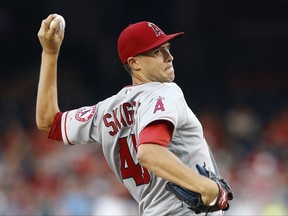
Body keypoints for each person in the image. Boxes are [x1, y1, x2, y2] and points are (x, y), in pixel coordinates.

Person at [36, 13, 231, 215]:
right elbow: (149, 152)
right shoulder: (166, 91)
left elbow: (48, 121)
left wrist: (49, 54)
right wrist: (205, 187)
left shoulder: (106, 110)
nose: (169, 57)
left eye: (167, 48)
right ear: (135, 63)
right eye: (157, 52)